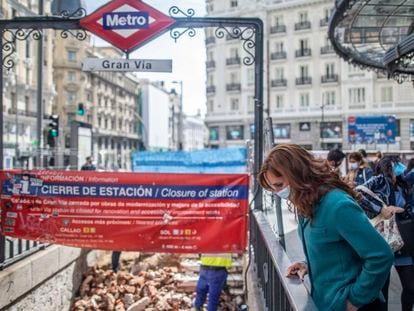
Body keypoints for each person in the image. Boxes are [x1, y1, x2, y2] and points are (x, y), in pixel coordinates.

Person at [258, 144, 393, 311]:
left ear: (296, 174)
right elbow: (334, 247)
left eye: (278, 185)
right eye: (272, 188)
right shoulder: (308, 203)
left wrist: (355, 300)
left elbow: (381, 255)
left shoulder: (337, 206)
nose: (278, 192)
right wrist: (308, 264)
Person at [357, 155, 414, 311]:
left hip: (402, 240)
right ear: (389, 166)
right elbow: (358, 192)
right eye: (397, 164)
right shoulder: (380, 180)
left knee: (410, 286)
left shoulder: (404, 184)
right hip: (383, 240)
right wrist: (381, 209)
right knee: (381, 289)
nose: (400, 167)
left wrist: (400, 209)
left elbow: (409, 207)